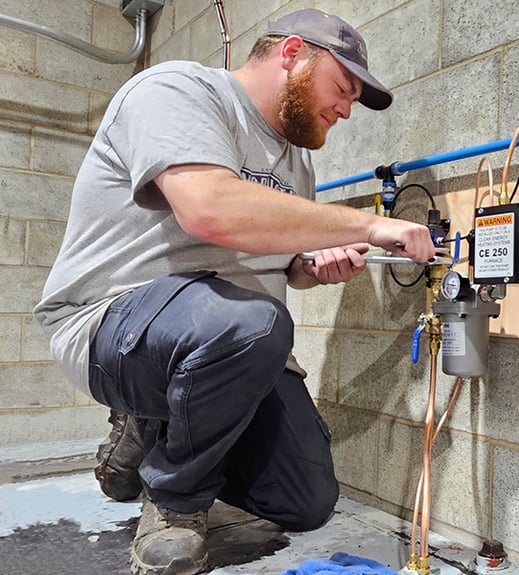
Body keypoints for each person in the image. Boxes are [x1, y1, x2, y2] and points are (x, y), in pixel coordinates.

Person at [33, 9, 433, 575]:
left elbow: (287, 267)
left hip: (230, 343)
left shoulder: (297, 162)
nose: (345, 109)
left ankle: (157, 430)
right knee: (256, 325)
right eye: (342, 88)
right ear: (291, 52)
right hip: (114, 326)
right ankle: (174, 502)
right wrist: (365, 224)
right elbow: (210, 210)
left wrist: (312, 267)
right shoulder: (177, 90)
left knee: (305, 501)